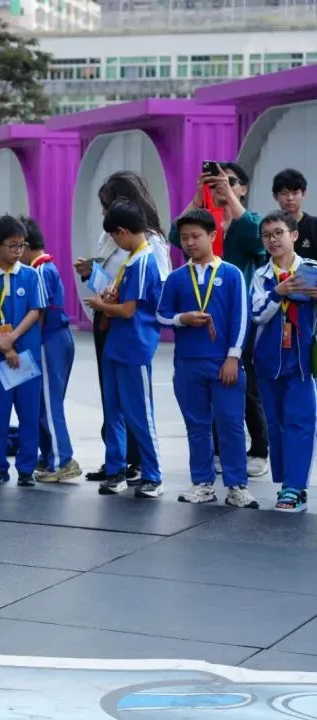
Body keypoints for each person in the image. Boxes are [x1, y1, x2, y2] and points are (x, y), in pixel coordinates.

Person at [168, 161, 268, 477]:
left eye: (230, 181)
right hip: (203, 319)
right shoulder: (203, 222)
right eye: (216, 181)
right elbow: (175, 234)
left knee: (244, 384)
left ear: (243, 188)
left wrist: (229, 196)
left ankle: (259, 449)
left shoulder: (248, 221)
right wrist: (199, 196)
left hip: (238, 317)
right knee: (208, 388)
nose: (222, 185)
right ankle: (217, 451)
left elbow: (259, 240)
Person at [157, 209, 258, 509]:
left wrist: (233, 357)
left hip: (223, 362)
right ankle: (202, 483)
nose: (189, 242)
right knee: (197, 425)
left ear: (213, 236)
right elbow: (160, 315)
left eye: (196, 236)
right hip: (188, 363)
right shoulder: (176, 278)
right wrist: (182, 319)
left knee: (231, 424)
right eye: (184, 237)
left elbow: (242, 318)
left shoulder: (231, 274)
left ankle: (237, 485)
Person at [74, 171, 171, 483]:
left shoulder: (151, 245)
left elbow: (151, 294)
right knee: (112, 398)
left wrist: (111, 303)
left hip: (132, 329)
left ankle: (142, 463)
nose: (104, 213)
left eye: (108, 205)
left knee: (136, 403)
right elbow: (113, 283)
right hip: (110, 323)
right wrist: (92, 275)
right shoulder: (112, 239)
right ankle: (115, 461)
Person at [250, 211, 317, 512]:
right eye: (267, 236)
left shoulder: (312, 270)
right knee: (276, 424)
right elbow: (256, 314)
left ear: (294, 235)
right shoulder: (261, 276)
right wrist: (278, 293)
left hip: (302, 362)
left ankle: (295, 487)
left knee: (300, 422)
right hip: (268, 360)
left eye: (279, 233)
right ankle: (285, 483)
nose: (273, 240)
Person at [0, 215, 46, 487]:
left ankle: (26, 468)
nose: (18, 251)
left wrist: (12, 338)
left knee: (29, 414)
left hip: (26, 356)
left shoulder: (31, 275)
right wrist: (2, 342)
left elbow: (35, 311)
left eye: (21, 245)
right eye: (12, 245)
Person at [20, 216, 81, 483]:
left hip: (49, 341)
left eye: (16, 246)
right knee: (43, 402)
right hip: (54, 339)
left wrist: (27, 346)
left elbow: (40, 313)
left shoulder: (41, 271)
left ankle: (61, 460)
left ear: (25, 245)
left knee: (48, 402)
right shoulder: (45, 267)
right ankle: (49, 456)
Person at [272, 168, 317, 260]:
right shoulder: (270, 228)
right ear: (275, 196)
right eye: (284, 193)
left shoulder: (314, 225)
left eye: (295, 193)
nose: (290, 198)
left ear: (303, 194)